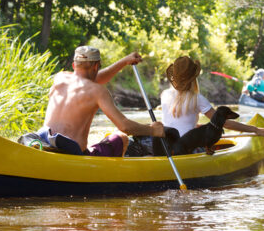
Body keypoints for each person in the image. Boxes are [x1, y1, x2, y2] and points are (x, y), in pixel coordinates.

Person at [33, 46, 165, 157]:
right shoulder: (98, 91)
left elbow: (91, 79)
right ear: (96, 66)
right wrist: (153, 130)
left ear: (74, 65)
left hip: (46, 145)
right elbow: (125, 127)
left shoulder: (60, 78)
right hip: (74, 156)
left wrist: (124, 61)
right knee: (122, 138)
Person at [162, 56, 264, 141]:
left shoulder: (165, 94)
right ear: (193, 78)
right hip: (185, 147)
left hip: (167, 145)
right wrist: (256, 130)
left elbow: (175, 123)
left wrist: (197, 127)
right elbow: (225, 123)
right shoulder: (197, 99)